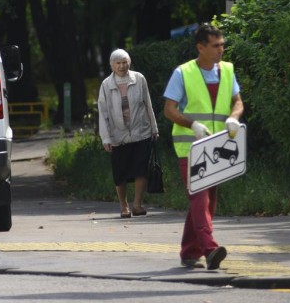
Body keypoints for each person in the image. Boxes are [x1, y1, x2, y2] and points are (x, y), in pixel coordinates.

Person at [163, 24, 244, 271]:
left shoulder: (227, 71)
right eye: (216, 45)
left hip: (218, 147)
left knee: (207, 203)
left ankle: (189, 252)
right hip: (191, 148)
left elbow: (237, 102)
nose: (221, 49)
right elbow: (169, 110)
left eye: (222, 44)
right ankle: (210, 250)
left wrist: (234, 117)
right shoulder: (183, 72)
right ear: (201, 47)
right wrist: (192, 124)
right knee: (199, 198)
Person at [97, 48, 158, 218]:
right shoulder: (106, 85)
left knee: (141, 169)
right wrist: (106, 138)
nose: (122, 66)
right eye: (118, 63)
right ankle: (124, 206)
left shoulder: (139, 79)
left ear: (129, 63)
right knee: (120, 172)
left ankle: (137, 204)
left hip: (141, 131)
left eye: (125, 62)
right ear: (112, 66)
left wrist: (154, 128)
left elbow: (148, 104)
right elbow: (103, 113)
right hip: (118, 135)